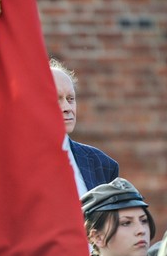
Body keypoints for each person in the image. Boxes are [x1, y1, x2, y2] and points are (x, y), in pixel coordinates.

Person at [50, 58, 119, 195]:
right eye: (56, 99)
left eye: (70, 99)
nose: (67, 108)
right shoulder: (15, 161)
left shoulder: (101, 164)